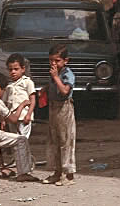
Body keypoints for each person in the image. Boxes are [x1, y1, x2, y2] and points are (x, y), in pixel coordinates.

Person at [42, 44, 76, 186]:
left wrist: (55, 77)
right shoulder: (54, 73)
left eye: (57, 60)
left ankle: (68, 174)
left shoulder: (67, 74)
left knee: (65, 140)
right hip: (53, 108)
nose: (53, 64)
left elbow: (64, 91)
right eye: (51, 60)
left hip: (64, 108)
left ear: (65, 60)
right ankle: (57, 171)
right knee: (54, 140)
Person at [2, 53, 36, 139]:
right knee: (14, 139)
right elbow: (4, 103)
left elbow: (32, 100)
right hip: (12, 117)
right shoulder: (9, 86)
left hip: (23, 117)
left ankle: (23, 153)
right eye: (10, 70)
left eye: (16, 69)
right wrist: (3, 118)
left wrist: (29, 114)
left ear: (23, 69)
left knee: (22, 140)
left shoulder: (27, 82)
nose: (13, 72)